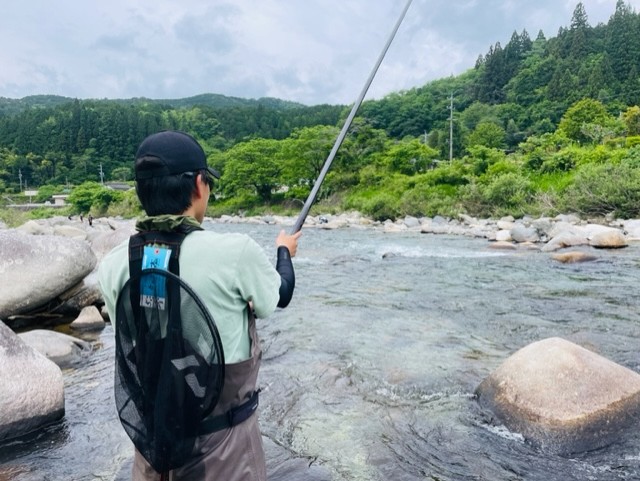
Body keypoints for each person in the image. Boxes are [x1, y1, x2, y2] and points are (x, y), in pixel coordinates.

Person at [98, 130, 301, 481]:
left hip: (153, 453)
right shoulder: (235, 252)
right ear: (197, 184)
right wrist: (284, 250)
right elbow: (280, 295)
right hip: (226, 454)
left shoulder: (114, 263)